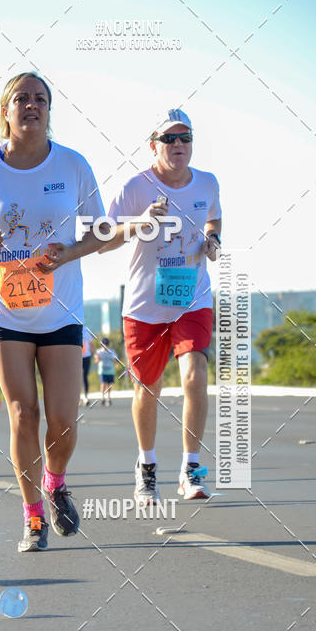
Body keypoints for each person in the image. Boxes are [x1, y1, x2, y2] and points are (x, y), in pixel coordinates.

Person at [0, 71, 107, 552]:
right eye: (21, 98)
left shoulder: (73, 164)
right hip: (4, 311)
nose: (31, 105)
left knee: (63, 420)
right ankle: (33, 517)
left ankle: (55, 481)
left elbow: (102, 232)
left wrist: (68, 252)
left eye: (40, 99)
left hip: (60, 311)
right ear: (5, 110)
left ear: (49, 109)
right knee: (24, 413)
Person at [102, 108, 221, 504]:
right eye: (169, 138)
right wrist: (139, 222)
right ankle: (147, 466)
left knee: (195, 376)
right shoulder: (135, 187)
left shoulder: (207, 182)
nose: (178, 145)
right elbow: (103, 237)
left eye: (185, 137)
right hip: (145, 305)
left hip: (192, 297)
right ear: (153, 145)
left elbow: (214, 219)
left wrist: (213, 240)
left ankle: (191, 470)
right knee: (147, 389)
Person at [94, 336, 117, 406]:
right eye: (103, 345)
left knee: (109, 384)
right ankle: (102, 397)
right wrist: (98, 358)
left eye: (106, 344)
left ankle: (108, 398)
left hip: (110, 370)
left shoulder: (112, 351)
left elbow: (115, 360)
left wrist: (115, 361)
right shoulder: (99, 352)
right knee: (103, 383)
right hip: (102, 371)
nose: (105, 346)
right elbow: (96, 361)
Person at [80, 327, 96, 406]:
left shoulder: (86, 330)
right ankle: (78, 397)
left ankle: (86, 397)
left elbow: (91, 344)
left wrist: (96, 354)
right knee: (77, 377)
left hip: (86, 357)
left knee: (84, 376)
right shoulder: (72, 327)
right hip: (76, 357)